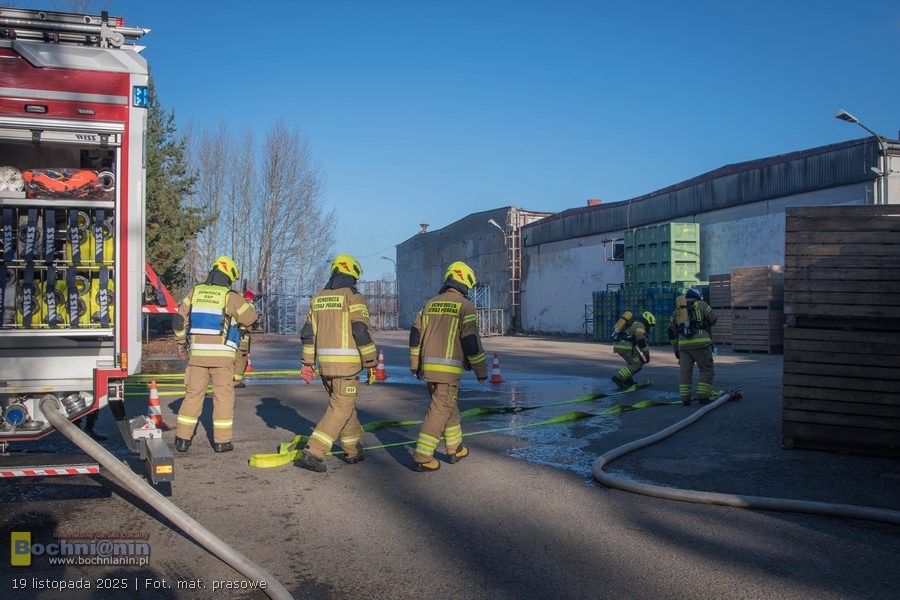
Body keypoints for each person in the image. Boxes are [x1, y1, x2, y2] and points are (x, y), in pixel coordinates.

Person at [296, 254, 378, 473]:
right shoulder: (353, 297)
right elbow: (360, 330)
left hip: (325, 365)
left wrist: (307, 363)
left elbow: (307, 334)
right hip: (347, 367)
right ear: (353, 274)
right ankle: (314, 451)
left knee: (344, 406)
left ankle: (352, 450)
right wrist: (371, 363)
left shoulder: (318, 298)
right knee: (340, 407)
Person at [172, 256, 258, 453]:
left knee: (193, 397)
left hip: (196, 358)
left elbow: (178, 320)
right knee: (223, 399)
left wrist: (180, 344)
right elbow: (250, 318)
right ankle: (221, 442)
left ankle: (182, 440)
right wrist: (249, 305)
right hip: (223, 360)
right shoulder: (230, 296)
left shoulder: (195, 292)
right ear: (229, 275)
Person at [409, 261, 488, 472]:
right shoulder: (465, 306)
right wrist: (481, 371)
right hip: (448, 372)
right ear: (466, 282)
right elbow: (471, 342)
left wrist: (415, 365)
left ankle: (455, 448)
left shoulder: (430, 304)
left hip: (428, 370)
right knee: (438, 411)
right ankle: (422, 457)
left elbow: (415, 336)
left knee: (448, 408)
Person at [668, 287, 717, 405]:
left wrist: (676, 350)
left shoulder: (677, 311)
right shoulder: (702, 305)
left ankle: (685, 399)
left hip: (684, 346)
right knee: (706, 369)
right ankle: (703, 396)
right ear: (698, 296)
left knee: (685, 371)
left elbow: (671, 331)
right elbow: (713, 319)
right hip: (701, 344)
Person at [611, 311, 655, 388]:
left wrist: (641, 358)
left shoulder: (634, 323)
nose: (650, 328)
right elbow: (641, 341)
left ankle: (628, 380)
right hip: (626, 346)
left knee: (632, 363)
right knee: (636, 365)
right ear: (647, 321)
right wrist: (647, 355)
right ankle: (617, 378)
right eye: (650, 326)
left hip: (621, 345)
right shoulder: (640, 325)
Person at [233, 290, 259, 388]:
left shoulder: (235, 303)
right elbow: (250, 322)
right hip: (242, 336)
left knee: (233, 358)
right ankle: (236, 381)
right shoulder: (248, 306)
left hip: (232, 336)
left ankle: (230, 379)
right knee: (241, 359)